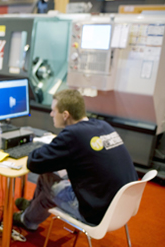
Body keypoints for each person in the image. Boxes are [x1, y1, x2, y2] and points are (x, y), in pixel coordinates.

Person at [13, 89, 138, 231]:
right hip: (122, 206)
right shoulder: (103, 126)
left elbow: (34, 163)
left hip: (95, 211)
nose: (51, 114)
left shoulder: (72, 135)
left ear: (65, 115)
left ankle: (27, 220)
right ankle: (31, 208)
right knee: (51, 174)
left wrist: (34, 148)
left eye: (54, 111)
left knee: (48, 177)